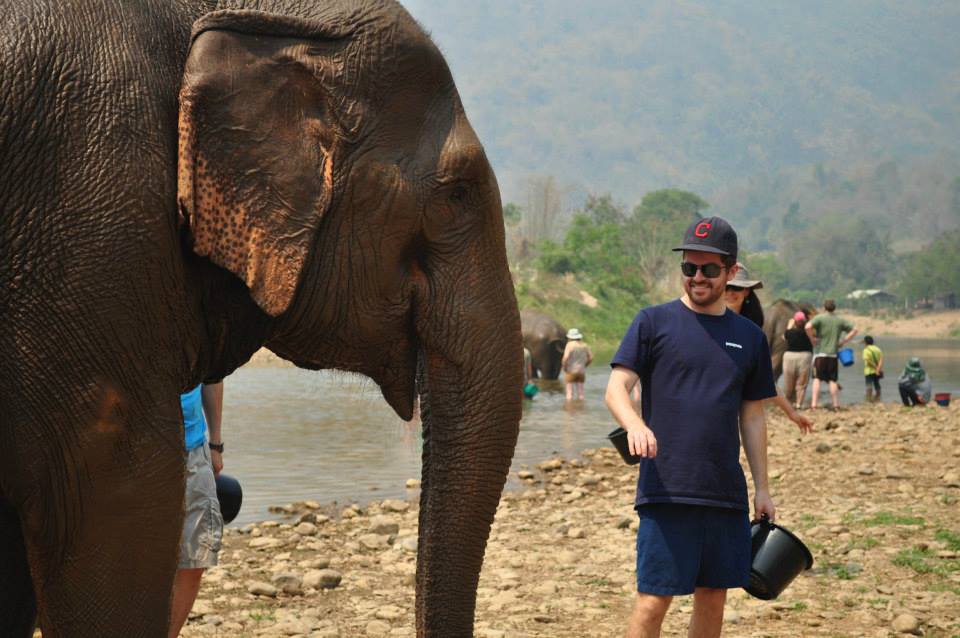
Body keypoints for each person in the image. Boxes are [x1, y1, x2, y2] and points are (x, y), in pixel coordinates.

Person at [605, 216, 777, 638]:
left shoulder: (749, 338)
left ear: (731, 272)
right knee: (653, 597)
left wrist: (763, 488)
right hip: (666, 488)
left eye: (709, 270)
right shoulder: (652, 322)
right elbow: (615, 388)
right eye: (689, 268)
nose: (697, 277)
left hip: (724, 493)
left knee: (713, 596)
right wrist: (634, 424)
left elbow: (752, 417)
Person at [723, 265, 813, 433]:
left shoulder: (750, 333)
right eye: (726, 287)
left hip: (732, 415)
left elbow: (764, 378)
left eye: (736, 287)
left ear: (747, 292)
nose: (729, 292)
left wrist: (791, 412)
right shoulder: (705, 324)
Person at [169, 382, 224, 638]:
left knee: (194, 558)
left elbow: (213, 375)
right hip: (136, 452)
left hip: (193, 448)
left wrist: (215, 444)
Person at [805, 299, 858, 410]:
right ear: (834, 308)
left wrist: (812, 339)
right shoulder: (839, 320)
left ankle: (814, 404)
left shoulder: (820, 318)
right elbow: (855, 329)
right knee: (833, 380)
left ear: (824, 307)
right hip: (833, 355)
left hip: (820, 354)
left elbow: (807, 327)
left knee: (817, 379)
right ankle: (836, 404)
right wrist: (843, 341)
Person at [783, 311, 814, 408]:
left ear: (795, 322)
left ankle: (788, 403)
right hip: (805, 356)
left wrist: (789, 325)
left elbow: (784, 337)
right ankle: (799, 404)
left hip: (790, 356)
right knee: (802, 383)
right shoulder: (807, 333)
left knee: (788, 381)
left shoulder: (790, 332)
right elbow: (814, 341)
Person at [561, 328, 593, 401]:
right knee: (581, 394)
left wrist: (564, 367)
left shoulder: (569, 345)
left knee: (569, 393)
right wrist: (585, 365)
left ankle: (569, 410)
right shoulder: (584, 345)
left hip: (571, 371)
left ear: (570, 337)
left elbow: (565, 358)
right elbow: (591, 357)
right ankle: (581, 409)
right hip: (581, 372)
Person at [862, 336, 884, 402]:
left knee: (869, 386)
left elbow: (868, 361)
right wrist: (878, 369)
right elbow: (881, 360)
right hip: (877, 371)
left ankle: (869, 400)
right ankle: (878, 399)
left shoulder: (866, 350)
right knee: (877, 385)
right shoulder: (878, 349)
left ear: (865, 342)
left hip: (869, 371)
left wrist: (876, 368)